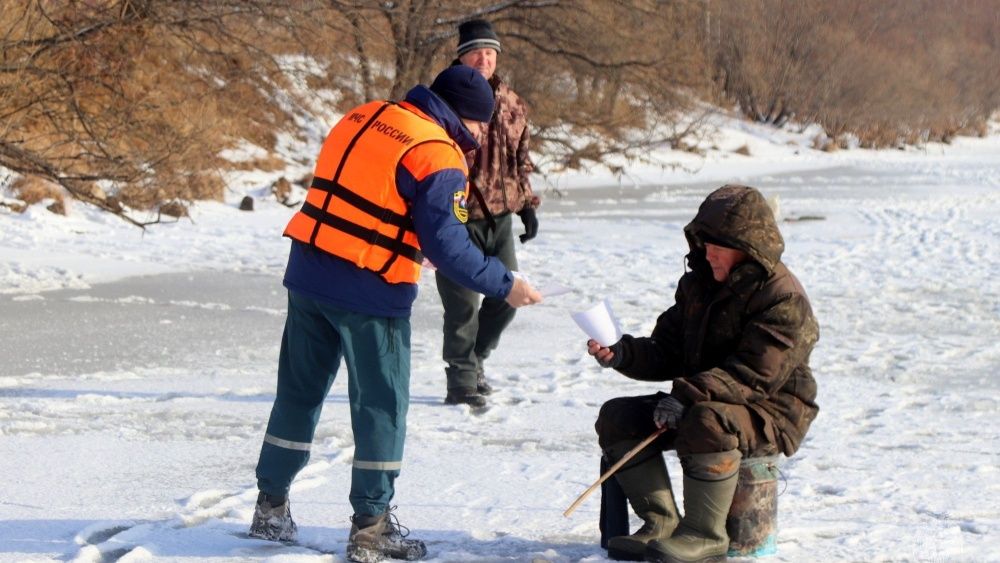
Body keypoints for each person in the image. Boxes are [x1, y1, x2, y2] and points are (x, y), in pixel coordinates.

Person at [248, 65, 542, 563]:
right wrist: (505, 285)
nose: (477, 138)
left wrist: (408, 239)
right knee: (381, 406)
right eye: (478, 126)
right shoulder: (437, 153)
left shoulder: (365, 115)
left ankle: (269, 508)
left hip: (309, 275)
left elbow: (368, 195)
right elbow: (450, 246)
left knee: (298, 394)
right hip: (371, 292)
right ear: (464, 117)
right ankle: (371, 528)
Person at [588, 185, 819, 562]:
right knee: (617, 417)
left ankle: (705, 535)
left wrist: (687, 396)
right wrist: (622, 353)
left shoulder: (782, 297)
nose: (708, 253)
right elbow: (667, 350)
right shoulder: (698, 285)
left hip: (771, 411)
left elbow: (755, 374)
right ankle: (661, 522)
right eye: (704, 242)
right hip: (702, 399)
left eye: (718, 245)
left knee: (705, 419)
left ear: (747, 246)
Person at [435, 19, 540, 407]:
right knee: (462, 306)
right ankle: (461, 381)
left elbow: (521, 160)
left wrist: (527, 205)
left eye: (490, 52)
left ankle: (476, 359)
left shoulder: (512, 103)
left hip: (499, 218)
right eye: (476, 52)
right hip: (456, 217)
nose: (484, 59)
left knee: (508, 295)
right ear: (461, 56)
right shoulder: (444, 96)